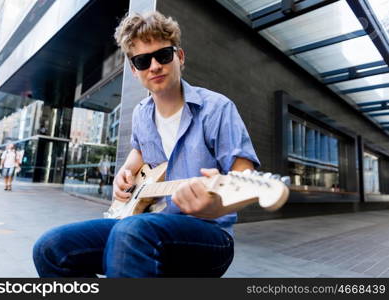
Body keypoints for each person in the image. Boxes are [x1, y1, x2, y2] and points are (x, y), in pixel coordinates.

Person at [33, 11, 260, 277]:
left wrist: (215, 205)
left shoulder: (217, 109)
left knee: (132, 232)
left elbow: (247, 177)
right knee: (51, 248)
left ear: (180, 57)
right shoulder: (141, 112)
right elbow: (140, 151)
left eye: (163, 55)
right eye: (142, 61)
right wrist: (125, 173)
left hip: (209, 234)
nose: (154, 66)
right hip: (142, 223)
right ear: (134, 70)